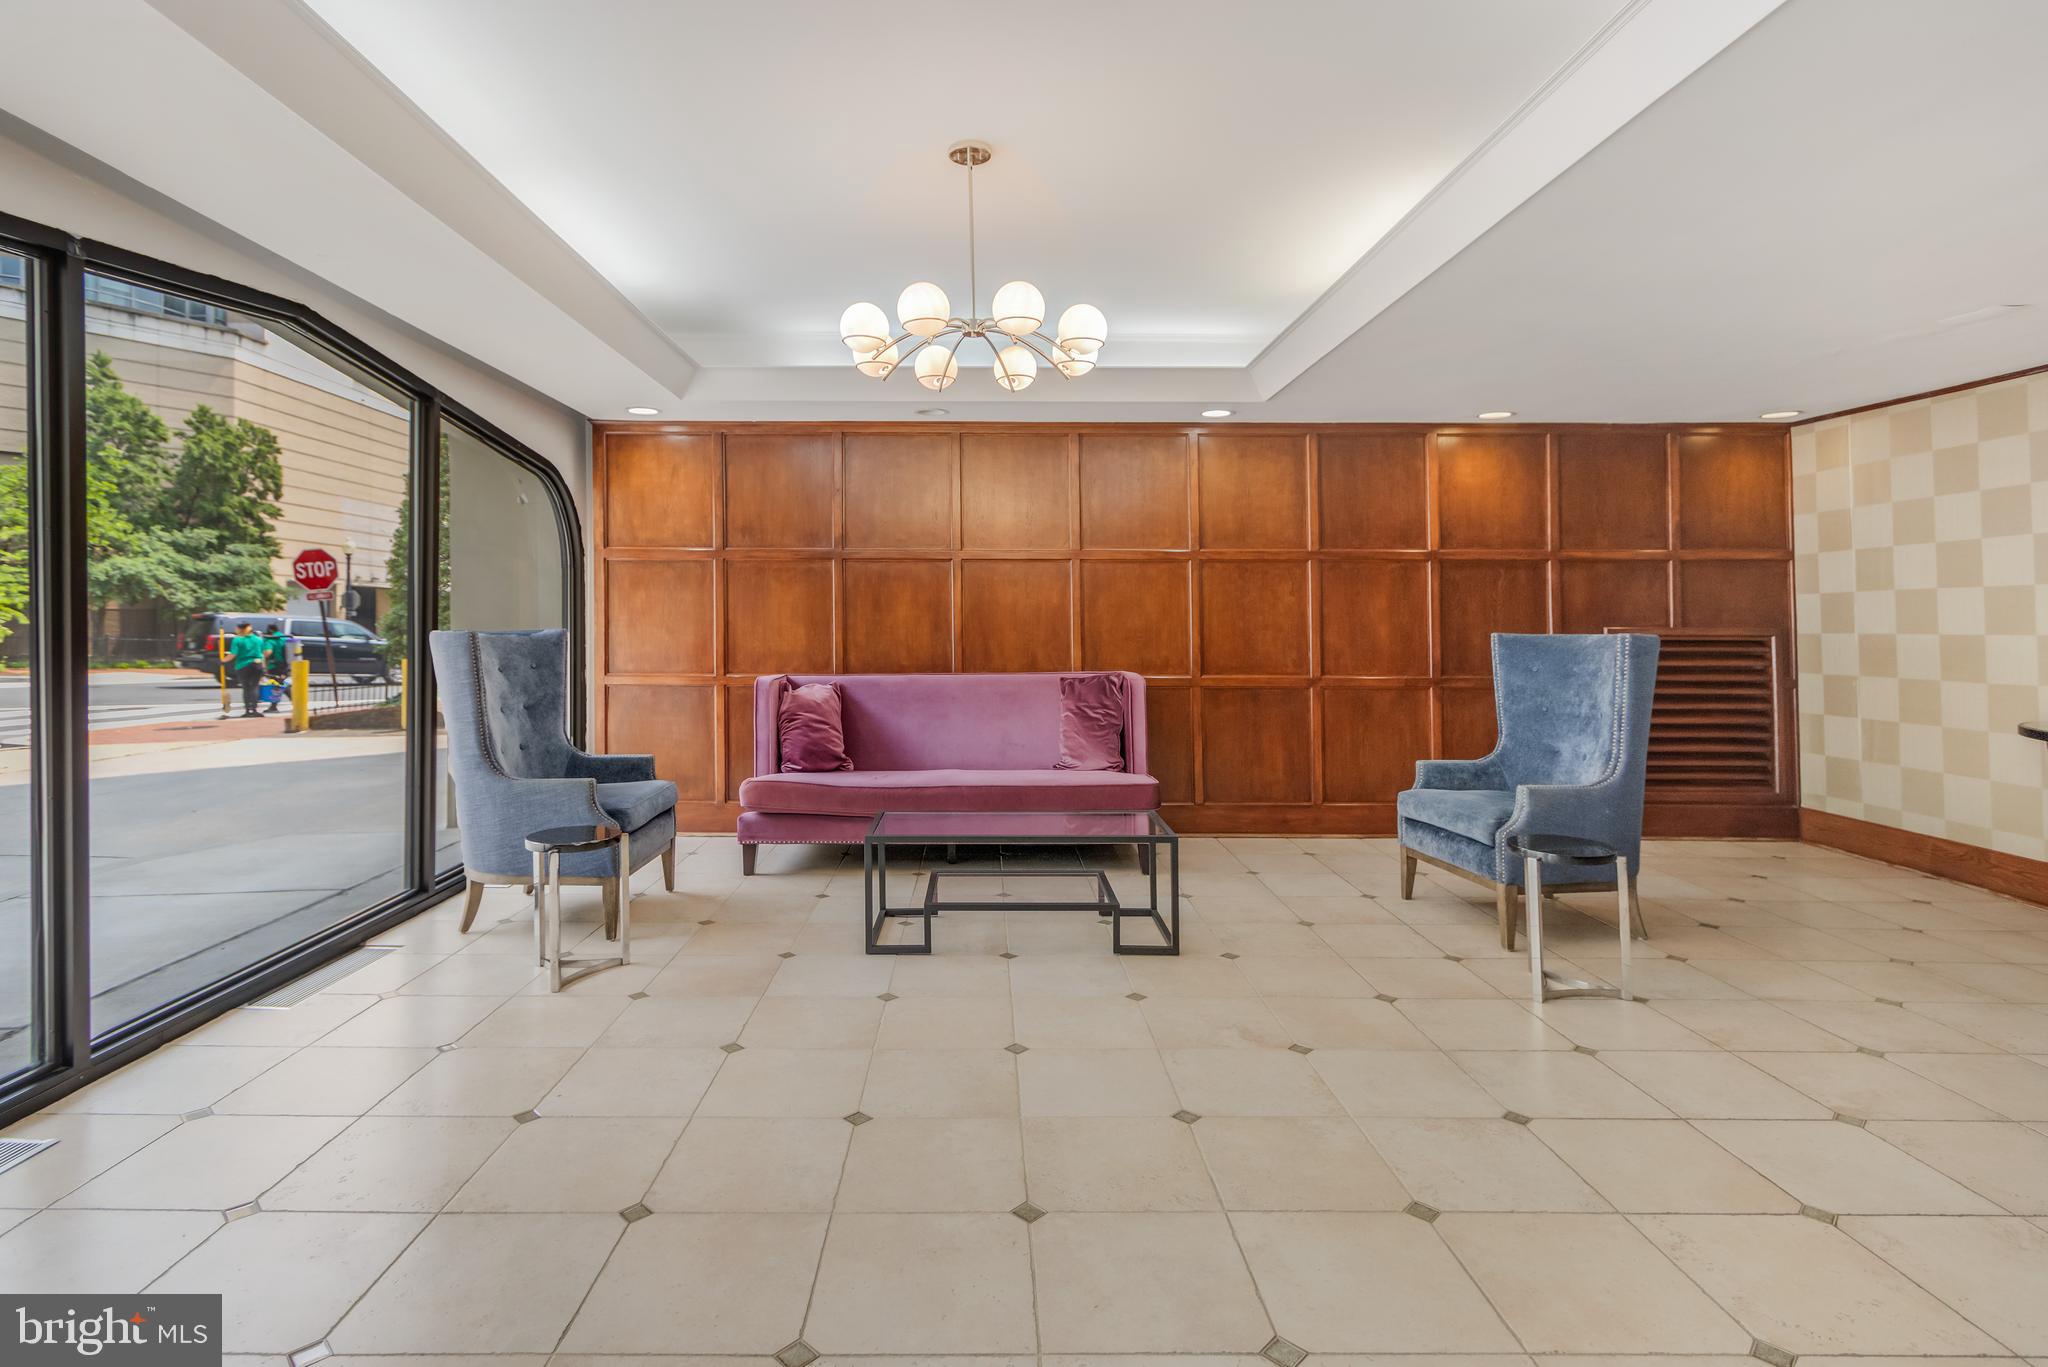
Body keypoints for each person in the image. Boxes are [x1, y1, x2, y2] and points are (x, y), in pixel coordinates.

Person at [225, 620, 269, 718]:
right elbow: (262, 655)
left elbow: (233, 654)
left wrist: (223, 661)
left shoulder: (237, 640)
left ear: (240, 629)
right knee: (255, 686)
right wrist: (264, 668)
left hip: (243, 665)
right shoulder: (258, 639)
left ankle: (247, 711)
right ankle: (254, 709)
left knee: (246, 687)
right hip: (257, 664)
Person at [261, 621, 291, 714]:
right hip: (286, 665)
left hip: (275, 666)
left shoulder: (271, 640)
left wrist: (262, 654)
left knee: (276, 686)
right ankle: (296, 700)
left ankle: (273, 707)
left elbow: (268, 652)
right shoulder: (283, 638)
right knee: (280, 684)